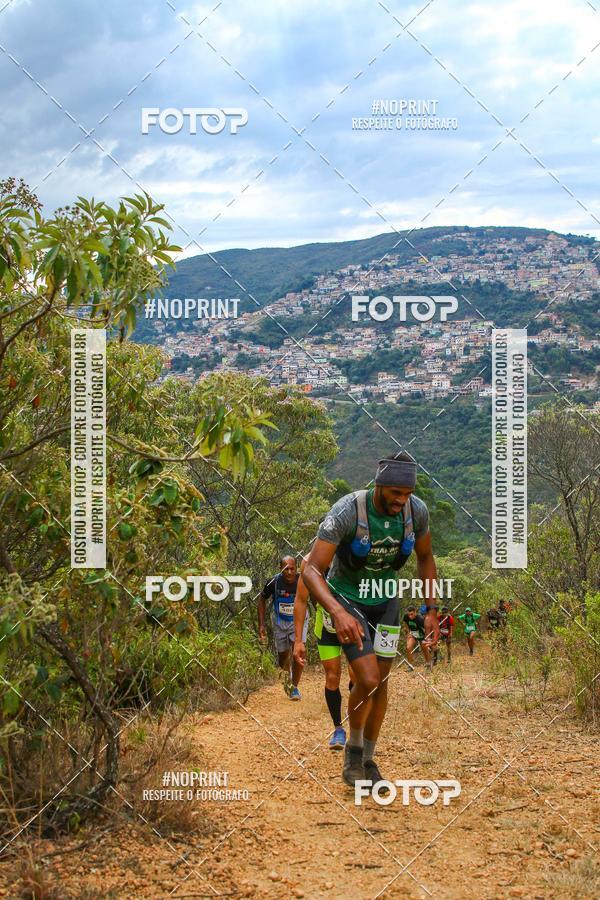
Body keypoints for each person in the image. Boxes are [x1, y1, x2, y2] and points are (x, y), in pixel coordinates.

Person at [302, 452, 439, 789]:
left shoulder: (415, 512)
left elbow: (425, 557)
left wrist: (431, 609)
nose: (400, 501)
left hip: (386, 601)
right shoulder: (348, 511)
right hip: (348, 599)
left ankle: (368, 759)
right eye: (395, 493)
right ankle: (352, 751)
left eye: (406, 494)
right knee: (367, 678)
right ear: (379, 486)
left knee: (382, 683)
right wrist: (337, 611)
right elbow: (311, 569)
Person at [294, 563, 352, 750]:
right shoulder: (310, 562)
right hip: (326, 627)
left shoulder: (348, 554)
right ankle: (338, 729)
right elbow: (301, 600)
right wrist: (298, 640)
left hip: (352, 622)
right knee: (332, 676)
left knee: (357, 676)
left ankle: (358, 725)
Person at [259, 556, 308, 700]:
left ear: (297, 568)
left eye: (292, 568)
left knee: (298, 653)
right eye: (286, 569)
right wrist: (261, 624)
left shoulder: (303, 581)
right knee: (282, 657)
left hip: (299, 621)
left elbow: (314, 597)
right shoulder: (273, 582)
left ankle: (294, 687)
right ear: (280, 569)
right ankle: (287, 679)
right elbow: (262, 599)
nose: (289, 572)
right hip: (280, 621)